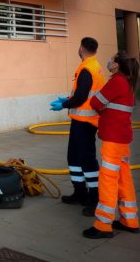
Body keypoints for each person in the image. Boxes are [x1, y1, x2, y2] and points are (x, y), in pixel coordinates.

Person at [83, 52, 140, 239]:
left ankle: (103, 225)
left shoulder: (116, 81)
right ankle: (129, 220)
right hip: (122, 138)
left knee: (108, 179)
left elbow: (95, 102)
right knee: (124, 178)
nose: (110, 61)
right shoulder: (128, 82)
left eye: (113, 59)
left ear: (117, 65)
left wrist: (103, 106)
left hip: (113, 139)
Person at [50, 37, 106, 216]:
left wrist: (64, 105)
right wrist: (67, 100)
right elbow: (85, 95)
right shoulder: (94, 66)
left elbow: (81, 96)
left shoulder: (86, 69)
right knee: (74, 157)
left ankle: (94, 198)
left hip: (85, 123)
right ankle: (80, 193)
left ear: (81, 48)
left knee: (87, 160)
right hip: (81, 121)